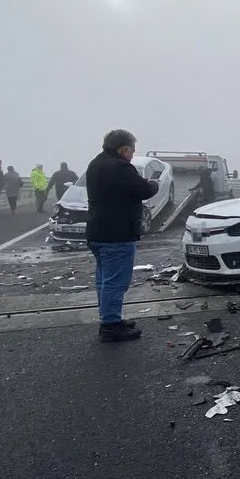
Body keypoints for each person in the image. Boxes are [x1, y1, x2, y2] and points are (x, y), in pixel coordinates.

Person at [86, 129, 158, 342]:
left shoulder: (96, 163)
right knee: (115, 282)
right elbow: (144, 191)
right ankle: (111, 326)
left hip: (98, 231)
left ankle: (109, 319)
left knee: (104, 280)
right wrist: (151, 183)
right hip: (116, 234)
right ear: (123, 149)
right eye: (132, 150)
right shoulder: (120, 167)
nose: (133, 154)